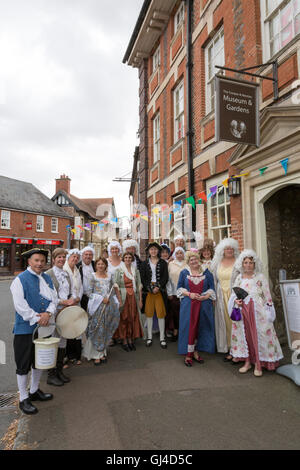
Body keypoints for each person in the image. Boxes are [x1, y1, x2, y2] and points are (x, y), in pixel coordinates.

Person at [10, 248, 58, 415]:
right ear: (29, 261)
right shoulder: (20, 280)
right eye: (36, 260)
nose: (39, 264)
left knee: (39, 361)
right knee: (23, 364)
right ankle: (23, 398)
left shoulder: (47, 278)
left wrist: (48, 313)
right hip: (25, 329)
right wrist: (38, 318)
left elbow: (54, 299)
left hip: (44, 328)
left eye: (42, 261)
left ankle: (34, 390)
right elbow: (20, 305)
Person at [228, 250, 283, 376]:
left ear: (254, 264)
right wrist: (237, 302)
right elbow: (234, 295)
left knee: (257, 334)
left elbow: (266, 295)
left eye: (250, 263)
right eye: (246, 262)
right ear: (242, 264)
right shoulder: (238, 278)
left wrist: (269, 311)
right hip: (243, 311)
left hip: (257, 311)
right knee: (245, 335)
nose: (248, 265)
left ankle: (258, 363)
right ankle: (247, 361)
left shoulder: (260, 277)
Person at [46, 248, 80, 386]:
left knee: (62, 341)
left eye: (63, 257)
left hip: (66, 312)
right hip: (54, 312)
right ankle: (51, 374)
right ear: (53, 259)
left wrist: (72, 299)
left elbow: (71, 292)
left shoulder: (66, 274)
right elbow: (48, 296)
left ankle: (59, 371)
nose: (61, 259)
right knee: (53, 342)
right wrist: (63, 302)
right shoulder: (48, 274)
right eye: (58, 257)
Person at [177, 250, 216, 366]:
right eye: (191, 260)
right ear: (188, 262)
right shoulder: (184, 273)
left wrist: (206, 296)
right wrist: (190, 294)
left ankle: (196, 352)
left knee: (201, 327)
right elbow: (179, 288)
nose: (194, 261)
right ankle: (188, 354)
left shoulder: (207, 272)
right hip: (188, 305)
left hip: (203, 305)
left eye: (195, 259)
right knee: (188, 328)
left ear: (199, 260)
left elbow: (212, 288)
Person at [82, 257, 120, 365]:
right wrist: (100, 299)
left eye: (102, 264)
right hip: (97, 307)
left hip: (108, 306)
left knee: (105, 328)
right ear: (96, 266)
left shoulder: (110, 276)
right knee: (97, 328)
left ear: (106, 265)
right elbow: (89, 292)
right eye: (98, 264)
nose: (100, 266)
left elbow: (113, 289)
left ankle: (102, 352)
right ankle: (95, 354)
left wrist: (115, 300)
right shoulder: (92, 276)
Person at [211, 238, 240, 361]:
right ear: (222, 250)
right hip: (220, 295)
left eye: (231, 248)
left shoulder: (239, 262)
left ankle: (238, 350)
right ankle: (228, 347)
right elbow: (213, 280)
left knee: (236, 322)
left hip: (234, 296)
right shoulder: (217, 263)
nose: (229, 250)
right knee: (224, 323)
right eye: (227, 248)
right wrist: (213, 297)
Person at [140, 242, 169, 349]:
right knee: (149, 314)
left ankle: (162, 338)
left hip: (159, 291)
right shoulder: (144, 264)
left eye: (155, 249)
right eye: (151, 249)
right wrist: (149, 287)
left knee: (161, 314)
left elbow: (165, 277)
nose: (153, 251)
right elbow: (142, 278)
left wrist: (158, 286)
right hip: (149, 291)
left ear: (158, 251)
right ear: (148, 251)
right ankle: (149, 337)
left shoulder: (163, 263)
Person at [113, 252, 144, 351]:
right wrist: (119, 300)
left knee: (132, 318)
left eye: (130, 257)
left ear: (132, 259)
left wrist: (140, 300)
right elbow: (116, 286)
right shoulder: (119, 270)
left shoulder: (136, 271)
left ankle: (130, 339)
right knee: (124, 318)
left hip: (133, 297)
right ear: (123, 259)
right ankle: (124, 340)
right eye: (126, 257)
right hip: (123, 297)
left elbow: (139, 286)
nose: (128, 259)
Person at [64, 249, 84, 366]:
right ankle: (67, 355)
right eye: (73, 257)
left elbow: (80, 287)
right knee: (67, 329)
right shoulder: (64, 269)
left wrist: (78, 298)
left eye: (77, 257)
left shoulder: (77, 270)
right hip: (68, 304)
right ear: (69, 257)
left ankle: (76, 355)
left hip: (77, 302)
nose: (75, 259)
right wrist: (72, 299)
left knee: (77, 329)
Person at [166, 247, 187, 341]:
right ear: (174, 254)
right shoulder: (171, 264)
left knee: (184, 313)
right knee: (175, 313)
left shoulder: (187, 264)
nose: (179, 255)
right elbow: (168, 280)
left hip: (185, 293)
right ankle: (175, 330)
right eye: (177, 253)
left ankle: (184, 332)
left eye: (181, 253)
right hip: (174, 292)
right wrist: (169, 293)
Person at [77, 246, 96, 311]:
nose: (88, 256)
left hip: (94, 296)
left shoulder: (95, 264)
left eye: (90, 255)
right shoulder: (77, 266)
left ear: (92, 256)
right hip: (82, 296)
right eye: (86, 254)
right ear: (82, 255)